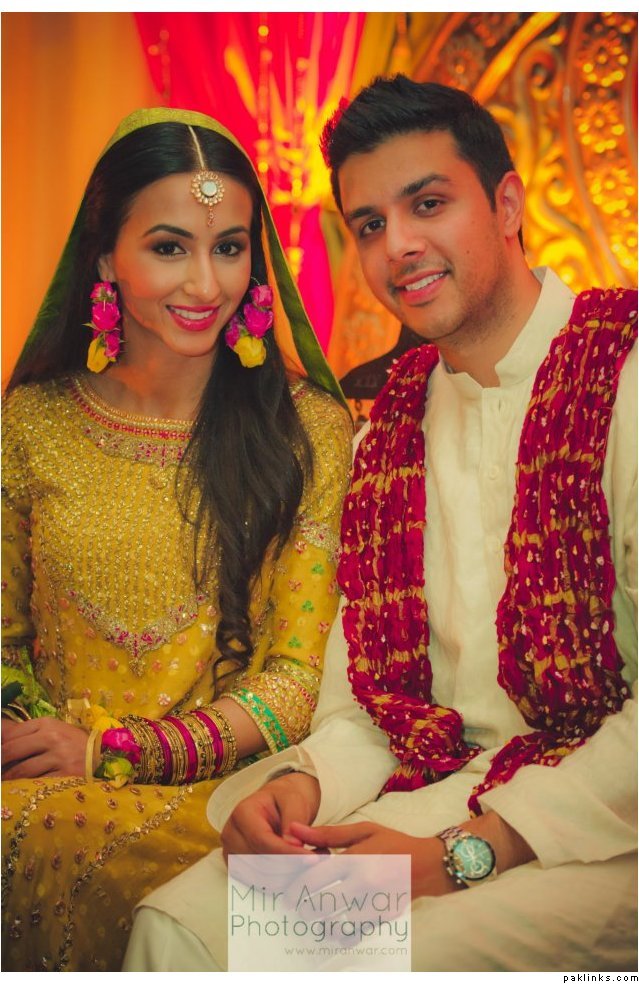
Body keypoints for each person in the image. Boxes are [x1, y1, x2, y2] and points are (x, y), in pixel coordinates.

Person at [124, 77, 637, 972]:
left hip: (602, 833)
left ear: (506, 205)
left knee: (359, 961)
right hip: (440, 798)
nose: (397, 245)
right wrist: (299, 784)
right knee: (182, 931)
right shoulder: (387, 434)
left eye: (427, 203)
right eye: (368, 224)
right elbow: (370, 706)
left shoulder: (622, 378)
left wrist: (461, 854)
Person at [0, 107, 353, 972]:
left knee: (37, 829)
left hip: (231, 795)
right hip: (43, 774)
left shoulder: (306, 430)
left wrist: (112, 754)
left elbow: (294, 683)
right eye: (168, 247)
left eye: (229, 247)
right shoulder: (30, 424)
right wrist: (32, 737)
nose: (205, 283)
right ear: (104, 258)